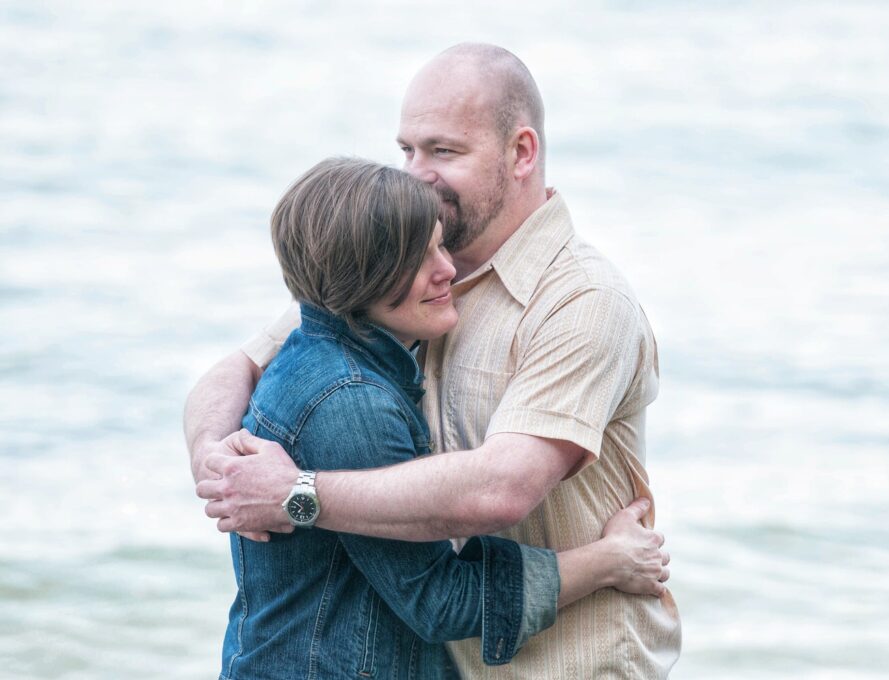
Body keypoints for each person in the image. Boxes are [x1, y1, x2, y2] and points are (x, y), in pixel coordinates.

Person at [187, 43, 682, 677]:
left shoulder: (583, 301)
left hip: (569, 664)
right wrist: (218, 464)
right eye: (407, 150)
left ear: (521, 153)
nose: (417, 173)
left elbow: (503, 488)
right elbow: (242, 367)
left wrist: (294, 496)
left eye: (443, 151)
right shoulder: (395, 272)